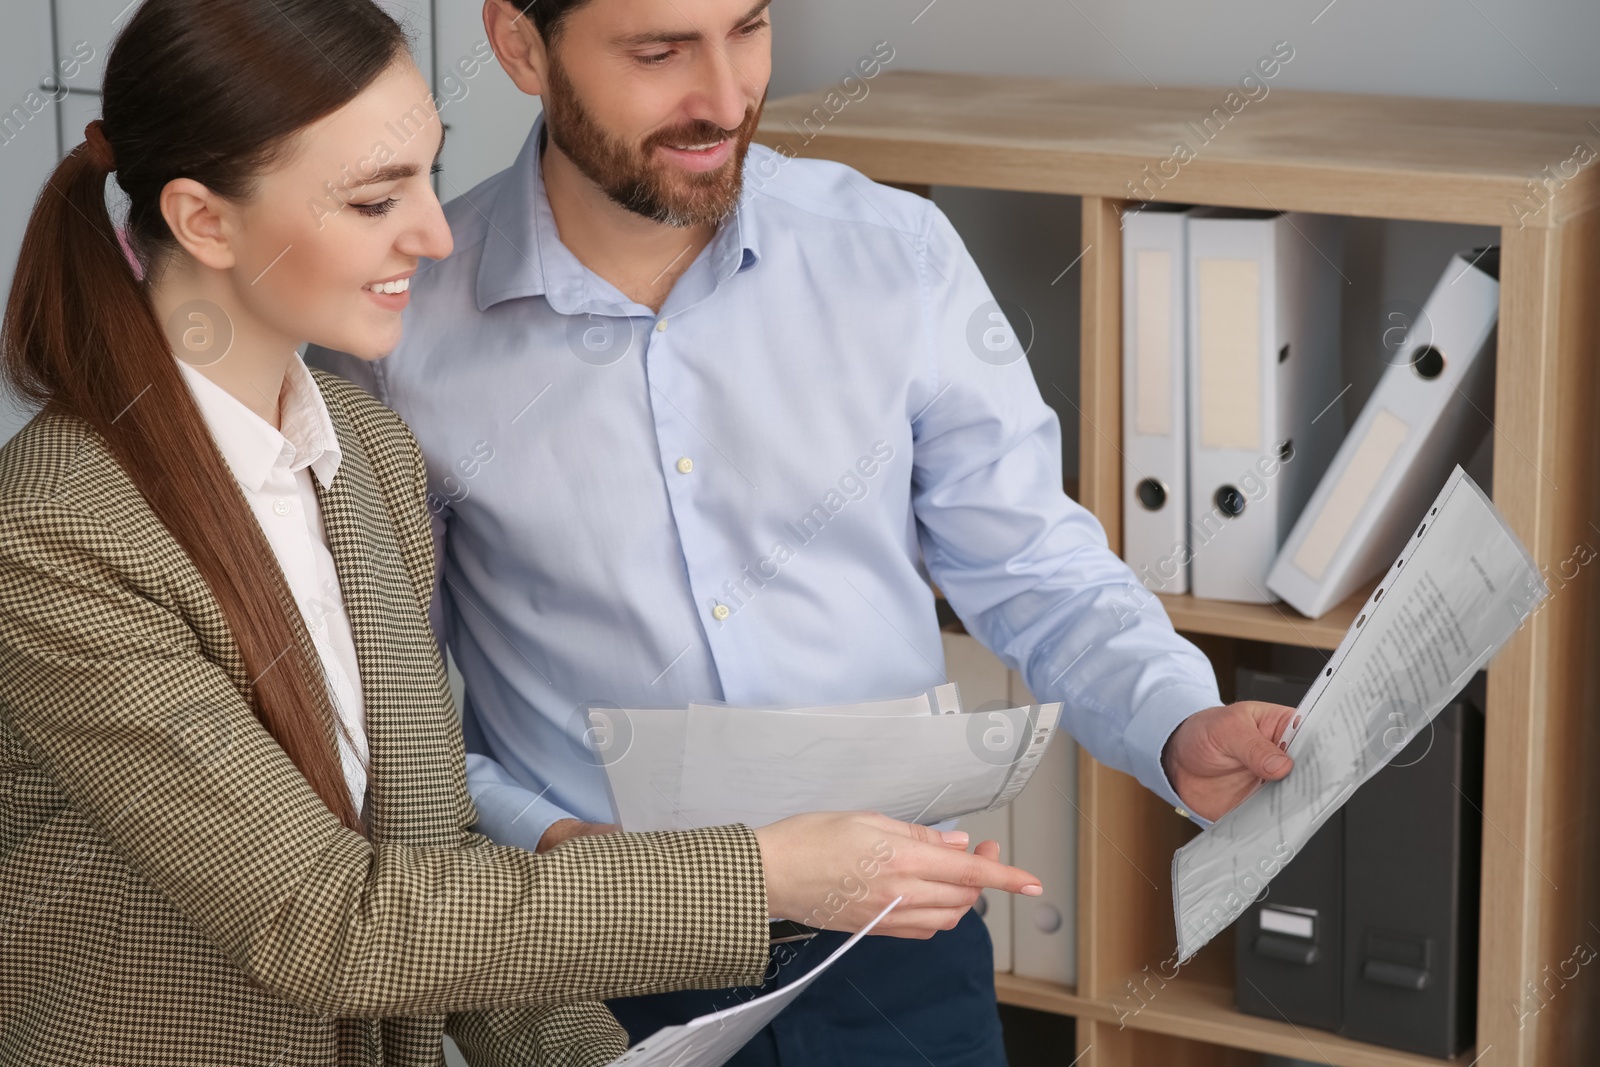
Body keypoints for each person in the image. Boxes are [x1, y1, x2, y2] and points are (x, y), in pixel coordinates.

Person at [0, 2, 1046, 1065]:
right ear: (205, 221)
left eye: (427, 174)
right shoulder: (58, 529)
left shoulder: (361, 451)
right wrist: (767, 870)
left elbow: (433, 852)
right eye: (375, 199)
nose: (438, 233)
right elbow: (326, 920)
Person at [309, 0, 1300, 1064]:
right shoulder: (401, 329)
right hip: (596, 946)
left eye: (748, 28)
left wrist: (1173, 718)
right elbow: (379, 708)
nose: (726, 98)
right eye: (658, 52)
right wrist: (545, 834)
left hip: (893, 937)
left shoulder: (894, 252)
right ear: (520, 47)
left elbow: (1033, 565)